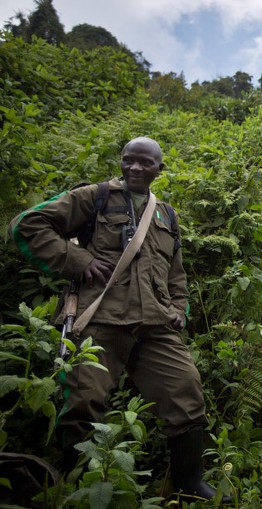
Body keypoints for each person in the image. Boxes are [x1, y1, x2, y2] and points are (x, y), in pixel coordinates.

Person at [8, 137, 230, 503]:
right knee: (82, 404)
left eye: (145, 163)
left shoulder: (166, 214)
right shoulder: (94, 197)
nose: (135, 168)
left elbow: (176, 274)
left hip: (155, 326)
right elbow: (26, 225)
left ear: (159, 169)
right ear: (121, 161)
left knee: (187, 393)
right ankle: (78, 487)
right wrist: (78, 261)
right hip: (99, 321)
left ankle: (189, 483)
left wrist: (179, 309)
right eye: (129, 160)